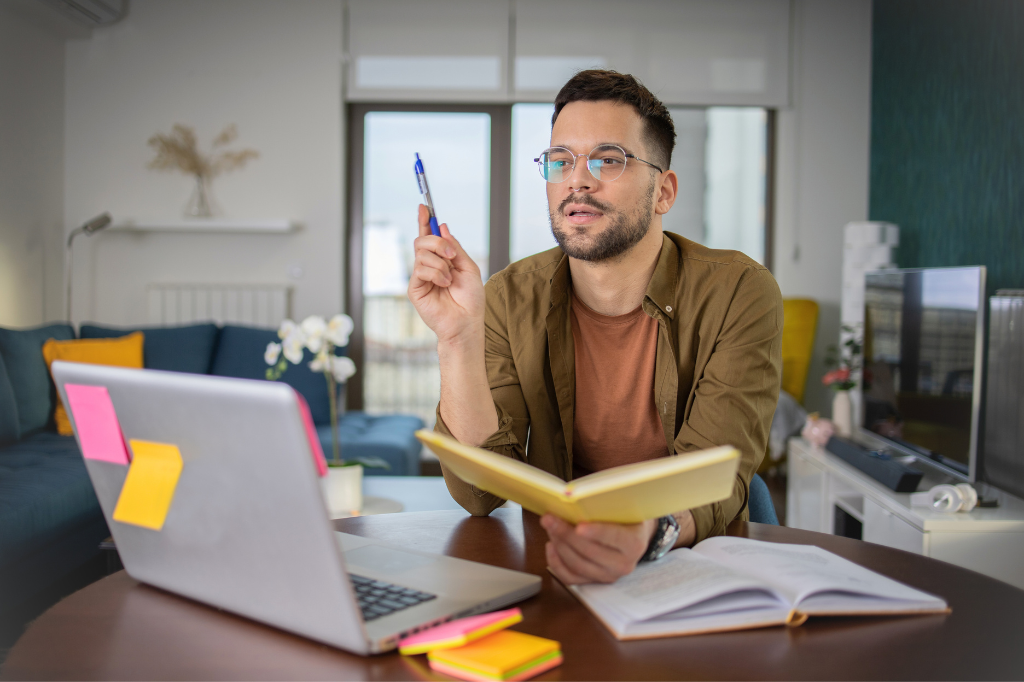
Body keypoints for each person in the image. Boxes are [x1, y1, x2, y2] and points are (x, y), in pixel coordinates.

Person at [408, 70, 782, 585]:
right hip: (562, 561)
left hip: (691, 561)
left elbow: (719, 474)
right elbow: (479, 492)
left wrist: (644, 535)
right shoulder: (506, 297)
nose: (577, 180)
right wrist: (456, 338)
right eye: (560, 161)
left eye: (609, 159)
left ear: (663, 192)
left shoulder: (739, 290)